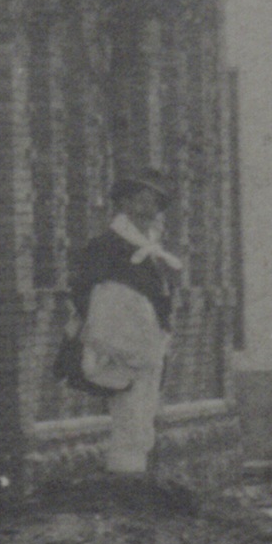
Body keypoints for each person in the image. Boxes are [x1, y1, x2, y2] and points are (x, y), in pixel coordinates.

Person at [66, 174, 185, 476]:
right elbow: (85, 290)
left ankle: (135, 474)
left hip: (149, 344)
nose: (150, 210)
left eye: (155, 203)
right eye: (143, 201)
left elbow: (160, 294)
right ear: (125, 204)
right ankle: (125, 476)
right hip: (119, 346)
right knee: (128, 410)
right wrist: (113, 329)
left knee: (144, 409)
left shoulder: (153, 249)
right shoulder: (108, 245)